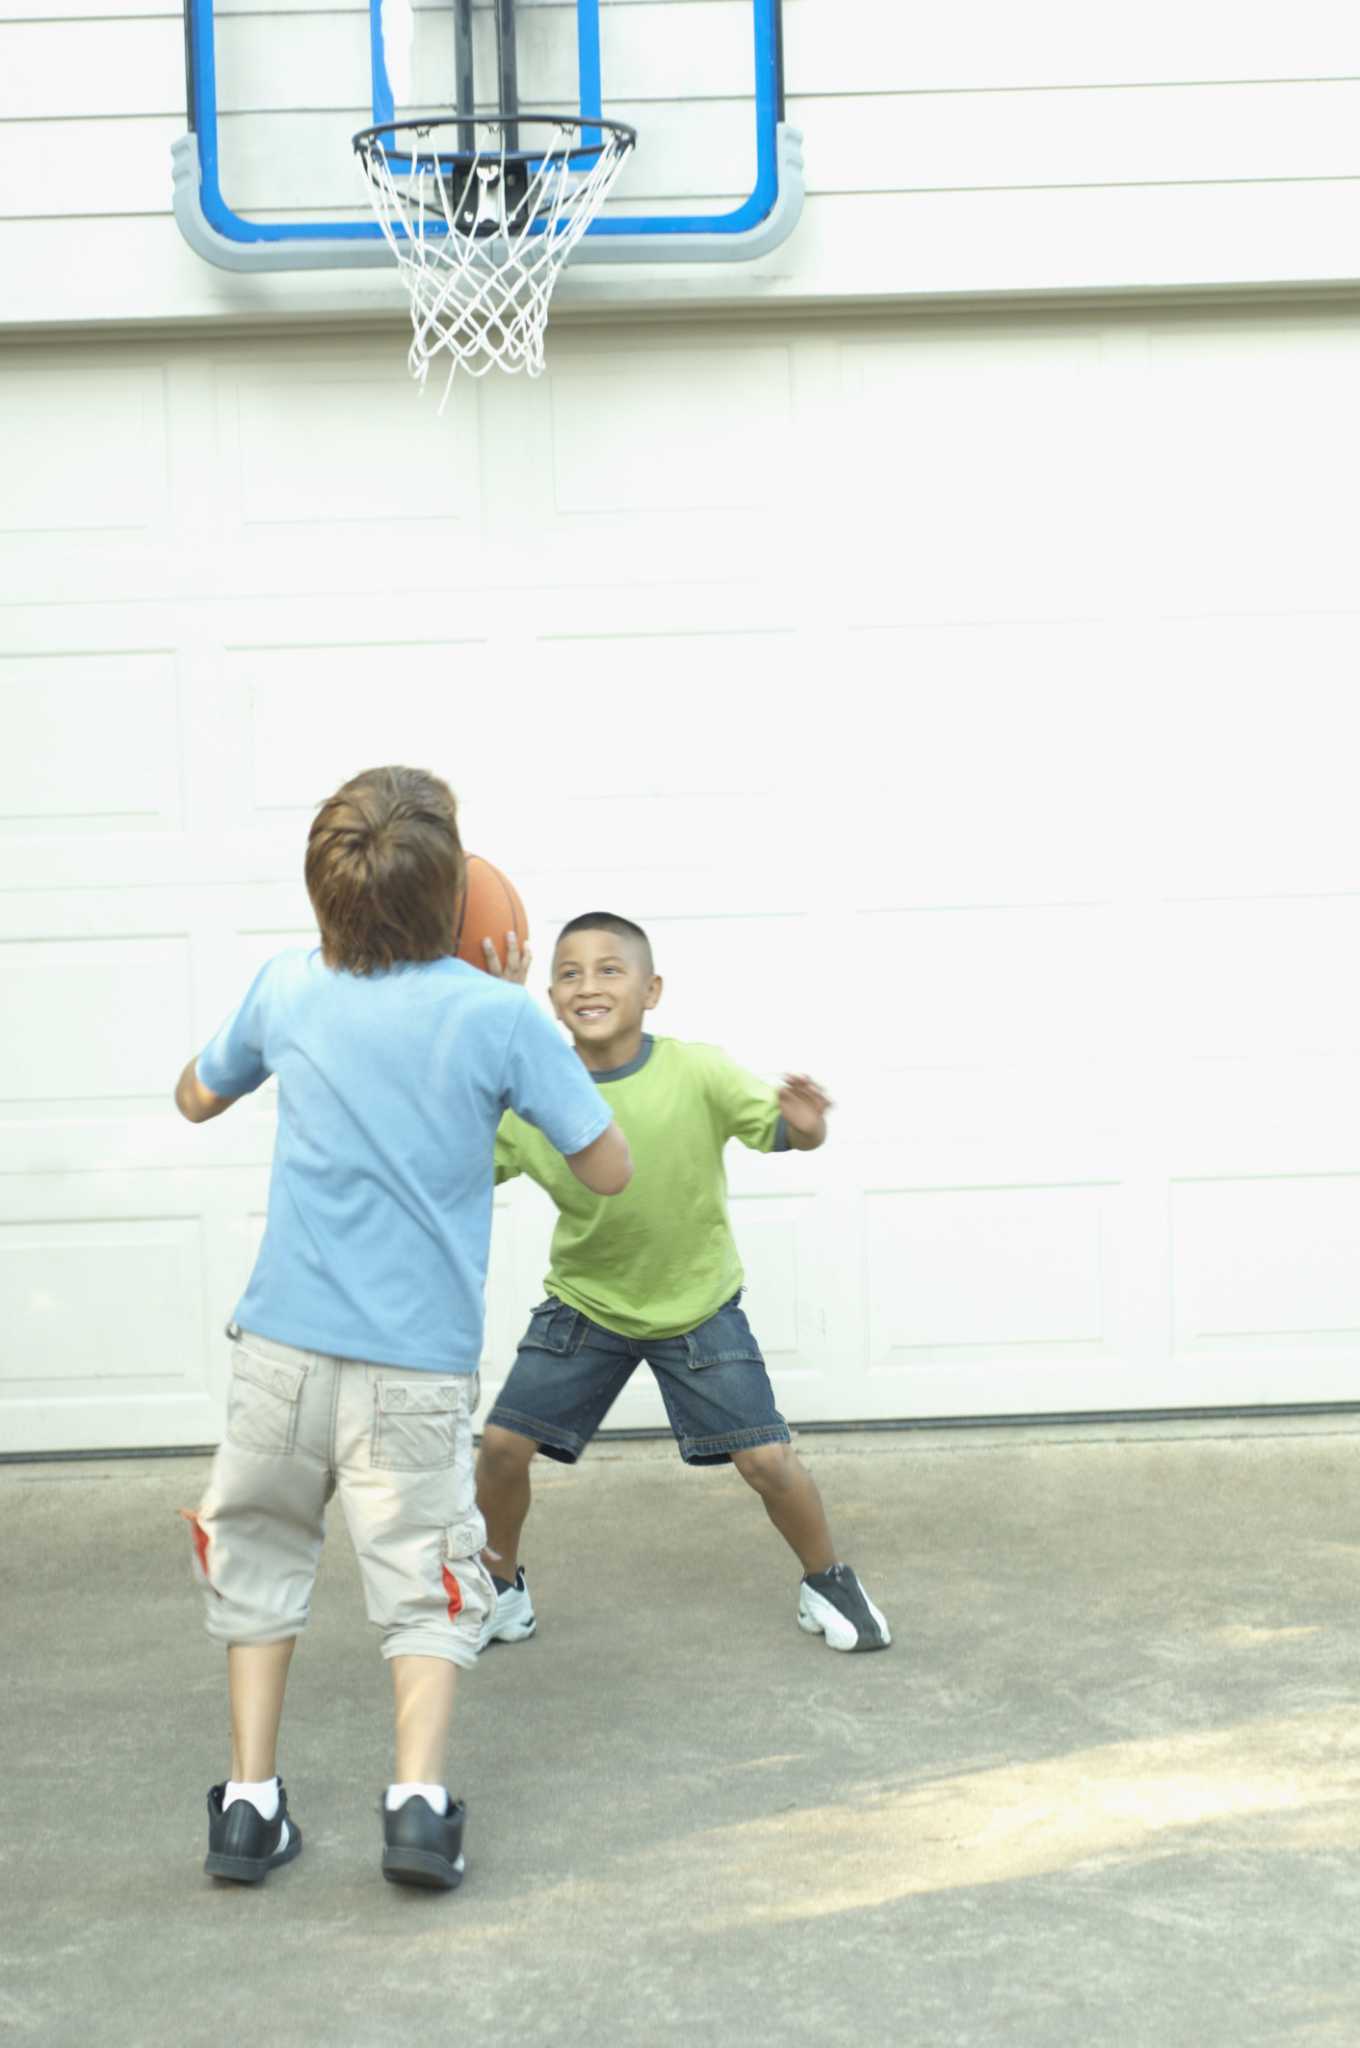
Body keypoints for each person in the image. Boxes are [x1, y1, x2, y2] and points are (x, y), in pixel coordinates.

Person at [173, 767, 631, 1891]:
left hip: (277, 1351)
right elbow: (607, 1168)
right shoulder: (496, 1011)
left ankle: (246, 1805)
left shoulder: (285, 985)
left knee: (261, 1554)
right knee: (427, 1580)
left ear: (327, 891)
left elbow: (194, 1095)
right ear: (454, 898)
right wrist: (512, 1007)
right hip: (411, 1375)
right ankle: (419, 1811)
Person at [476, 912, 891, 1655]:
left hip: (696, 1305)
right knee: (503, 1446)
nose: (588, 984)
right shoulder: (536, 1093)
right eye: (569, 972)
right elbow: (463, 1162)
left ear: (651, 989)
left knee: (765, 1458)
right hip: (586, 1303)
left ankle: (827, 1578)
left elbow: (784, 1131)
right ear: (549, 994)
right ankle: (500, 1590)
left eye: (610, 969)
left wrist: (808, 1126)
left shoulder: (696, 1070)